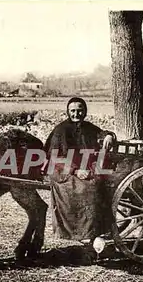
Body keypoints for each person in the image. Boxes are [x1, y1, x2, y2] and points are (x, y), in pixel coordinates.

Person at [43, 97, 116, 243]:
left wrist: (108, 135)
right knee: (84, 188)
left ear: (85, 111)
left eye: (80, 110)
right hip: (63, 171)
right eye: (73, 111)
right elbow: (54, 158)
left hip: (84, 167)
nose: (76, 114)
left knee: (97, 183)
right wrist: (75, 171)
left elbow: (100, 133)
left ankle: (93, 231)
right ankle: (80, 233)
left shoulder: (88, 127)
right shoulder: (61, 130)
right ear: (68, 112)